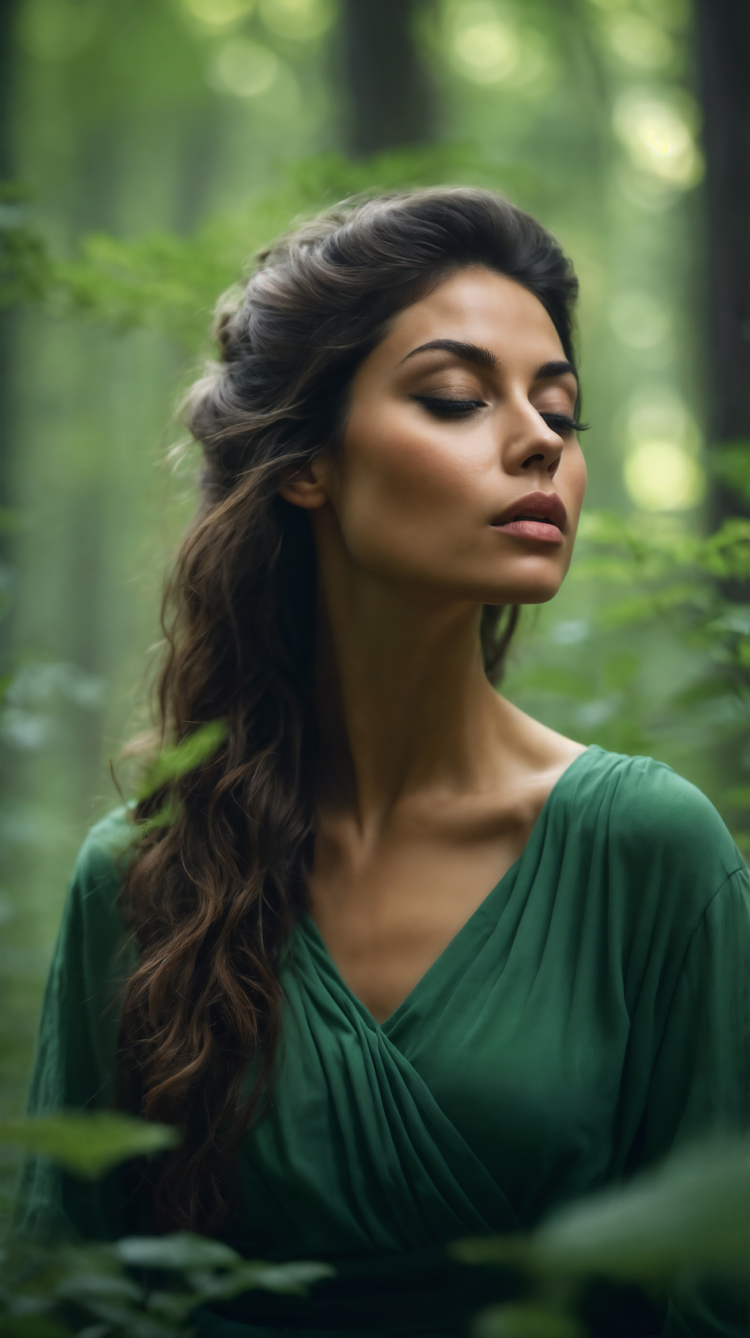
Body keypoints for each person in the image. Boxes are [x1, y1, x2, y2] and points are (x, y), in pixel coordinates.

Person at [15, 189, 750, 1337]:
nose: (542, 439)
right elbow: (65, 1283)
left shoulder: (648, 851)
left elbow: (717, 1293)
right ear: (307, 462)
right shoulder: (145, 875)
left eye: (562, 410)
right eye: (456, 398)